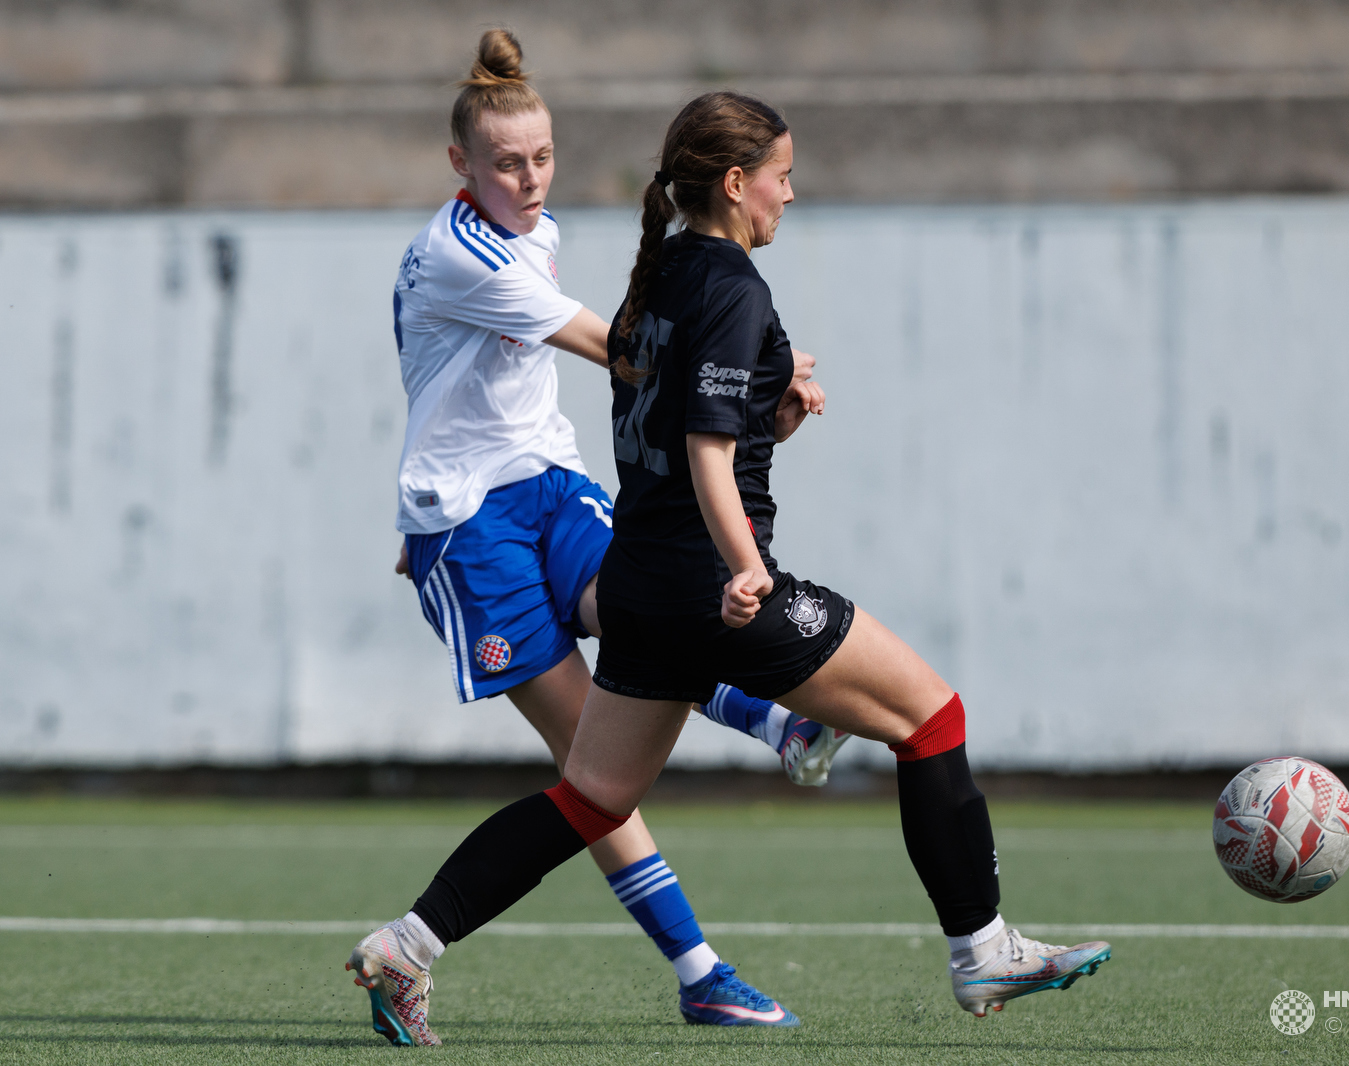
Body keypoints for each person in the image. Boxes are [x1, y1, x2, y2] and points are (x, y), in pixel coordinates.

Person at [350, 87, 1113, 1044]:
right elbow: (707, 454)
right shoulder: (731, 288)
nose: (792, 196)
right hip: (702, 585)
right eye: (784, 178)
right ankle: (981, 947)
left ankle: (409, 943)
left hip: (639, 579)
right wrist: (747, 567)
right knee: (932, 718)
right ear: (737, 182)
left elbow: (681, 421)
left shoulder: (659, 271)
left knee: (590, 798)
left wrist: (770, 413)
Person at [348, 32, 846, 1046]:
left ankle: (772, 727)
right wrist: (757, 369)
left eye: (540, 158)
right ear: (460, 167)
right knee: (592, 761)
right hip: (468, 526)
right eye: (504, 163)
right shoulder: (462, 252)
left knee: (651, 611)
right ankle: (696, 965)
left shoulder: (530, 231)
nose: (527, 180)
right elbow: (624, 351)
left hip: (546, 485)